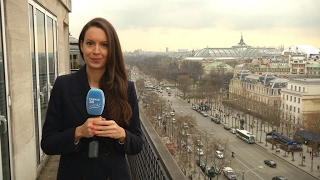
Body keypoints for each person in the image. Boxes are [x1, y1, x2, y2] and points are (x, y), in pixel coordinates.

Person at [41, 17, 143, 180]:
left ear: (112, 49)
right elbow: (48, 143)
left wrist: (122, 134)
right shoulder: (63, 85)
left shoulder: (126, 88)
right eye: (90, 43)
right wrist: (78, 132)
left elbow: (137, 143)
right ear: (81, 45)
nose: (96, 51)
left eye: (104, 45)